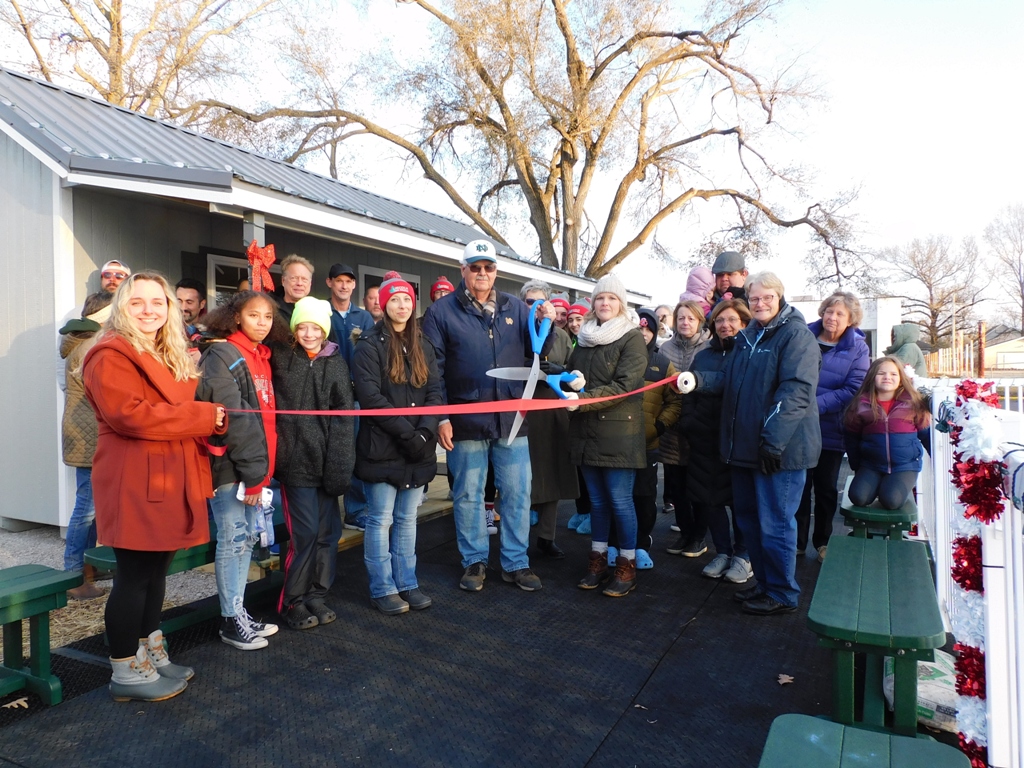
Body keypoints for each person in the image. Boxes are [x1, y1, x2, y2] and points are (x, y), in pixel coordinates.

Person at [83, 271, 225, 702]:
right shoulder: (110, 353)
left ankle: (149, 652)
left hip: (167, 472)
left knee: (156, 572)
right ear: (122, 306)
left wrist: (210, 419)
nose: (149, 310)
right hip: (134, 475)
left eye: (157, 302)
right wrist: (204, 416)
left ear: (169, 308)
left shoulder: (166, 351)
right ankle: (125, 668)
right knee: (134, 576)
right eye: (137, 302)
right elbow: (130, 415)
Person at [678, 271, 819, 616]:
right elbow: (730, 380)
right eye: (754, 298)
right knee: (750, 520)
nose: (760, 303)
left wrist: (772, 442)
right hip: (745, 449)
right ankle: (766, 583)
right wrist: (697, 379)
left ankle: (782, 592)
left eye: (767, 297)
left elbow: (795, 393)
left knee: (776, 524)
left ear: (779, 297)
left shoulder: (796, 336)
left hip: (779, 451)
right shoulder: (749, 336)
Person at [422, 239, 555, 593]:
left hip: (512, 418)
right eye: (475, 267)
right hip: (465, 421)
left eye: (489, 267)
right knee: (468, 494)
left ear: (496, 271)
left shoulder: (517, 308)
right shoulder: (441, 312)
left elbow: (538, 352)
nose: (482, 273)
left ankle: (516, 562)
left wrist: (548, 323)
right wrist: (442, 417)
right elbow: (433, 371)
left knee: (517, 492)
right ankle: (474, 560)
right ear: (463, 269)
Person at [197, 290, 289, 650]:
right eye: (254, 315)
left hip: (254, 466)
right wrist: (252, 476)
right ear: (236, 317)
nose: (262, 323)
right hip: (232, 469)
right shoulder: (223, 355)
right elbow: (234, 417)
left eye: (267, 317)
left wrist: (260, 472)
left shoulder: (261, 355)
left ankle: (238, 611)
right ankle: (229, 620)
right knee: (234, 539)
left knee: (247, 539)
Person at [353, 272, 442, 614]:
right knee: (381, 520)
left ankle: (407, 582)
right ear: (383, 304)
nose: (402, 305)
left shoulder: (424, 344)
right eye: (394, 299)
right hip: (382, 447)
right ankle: (383, 588)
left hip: (418, 447)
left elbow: (435, 391)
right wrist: (408, 434)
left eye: (407, 299)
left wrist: (425, 433)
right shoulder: (368, 345)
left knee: (407, 519)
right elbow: (370, 397)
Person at [270, 296, 355, 629]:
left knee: (327, 534)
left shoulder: (336, 363)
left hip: (326, 464)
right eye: (302, 327)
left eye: (316, 328)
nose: (309, 334)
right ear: (294, 329)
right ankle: (292, 600)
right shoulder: (281, 357)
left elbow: (344, 420)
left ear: (325, 330)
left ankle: (316, 594)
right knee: (304, 534)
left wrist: (339, 466)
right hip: (295, 464)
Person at [568, 274, 648, 597]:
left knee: (620, 501)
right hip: (586, 432)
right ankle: (598, 560)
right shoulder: (584, 337)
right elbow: (574, 372)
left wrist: (582, 399)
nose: (605, 303)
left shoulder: (631, 338)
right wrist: (570, 379)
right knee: (598, 502)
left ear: (621, 304)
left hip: (619, 433)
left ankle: (626, 565)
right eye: (600, 297)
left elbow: (625, 385)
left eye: (612, 298)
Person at [796, 292, 870, 562]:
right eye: (829, 311)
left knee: (826, 487)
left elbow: (853, 388)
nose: (832, 317)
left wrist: (813, 406)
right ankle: (797, 542)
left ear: (850, 320)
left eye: (840, 314)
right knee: (799, 486)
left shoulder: (858, 348)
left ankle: (823, 542)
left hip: (831, 427)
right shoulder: (803, 336)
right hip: (798, 426)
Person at [682, 299, 753, 583]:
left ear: (744, 323)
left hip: (738, 441)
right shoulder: (703, 356)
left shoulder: (750, 353)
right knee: (709, 499)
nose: (725, 325)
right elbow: (689, 392)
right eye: (720, 320)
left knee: (740, 501)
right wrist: (689, 423)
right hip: (705, 439)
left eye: (732, 319)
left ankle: (743, 555)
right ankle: (722, 551)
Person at [520, 281, 581, 560]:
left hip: (553, 413)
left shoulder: (562, 336)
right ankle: (518, 539)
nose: (536, 307)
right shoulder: (513, 331)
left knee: (552, 475)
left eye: (540, 302)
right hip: (521, 414)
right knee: (521, 479)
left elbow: (574, 372)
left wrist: (559, 370)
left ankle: (547, 536)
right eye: (529, 301)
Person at [59, 292, 113, 600]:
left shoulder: (81, 340)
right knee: (87, 507)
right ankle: (74, 574)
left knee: (92, 505)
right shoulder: (94, 345)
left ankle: (88, 567)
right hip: (89, 435)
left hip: (83, 432)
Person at [620, 308, 679, 570]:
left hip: (647, 444)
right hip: (616, 444)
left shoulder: (663, 364)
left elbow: (675, 401)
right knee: (617, 497)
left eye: (649, 329)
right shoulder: (617, 358)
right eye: (639, 328)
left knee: (644, 497)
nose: (643, 333)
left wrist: (659, 426)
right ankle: (615, 544)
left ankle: (642, 544)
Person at [322, 263, 376, 532]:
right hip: (325, 395)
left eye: (348, 281)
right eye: (339, 280)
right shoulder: (322, 312)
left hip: (356, 396)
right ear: (329, 282)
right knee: (328, 454)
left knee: (356, 451)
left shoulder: (363, 317)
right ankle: (326, 513)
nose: (344, 285)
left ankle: (355, 511)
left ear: (354, 285)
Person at [844, 356, 930, 509]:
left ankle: (891, 486)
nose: (887, 377)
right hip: (871, 465)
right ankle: (878, 484)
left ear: (901, 379)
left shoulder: (913, 403)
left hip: (904, 466)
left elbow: (926, 435)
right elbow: (852, 438)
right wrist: (857, 465)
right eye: (881, 373)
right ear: (872, 377)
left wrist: (937, 459)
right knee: (858, 498)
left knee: (891, 501)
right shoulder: (861, 405)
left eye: (893, 374)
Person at [659, 301, 711, 552]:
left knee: (699, 485)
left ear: (700, 321)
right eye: (681, 318)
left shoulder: (709, 348)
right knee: (676, 485)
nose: (685, 322)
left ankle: (699, 536)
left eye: (691, 318)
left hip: (700, 425)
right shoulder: (665, 348)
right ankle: (685, 532)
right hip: (672, 426)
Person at [276, 254, 314, 323]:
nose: (299, 283)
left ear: (310, 283)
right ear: (283, 281)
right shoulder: (271, 309)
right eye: (294, 278)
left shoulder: (317, 310)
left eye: (304, 279)